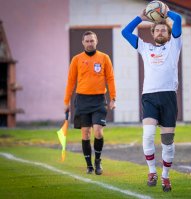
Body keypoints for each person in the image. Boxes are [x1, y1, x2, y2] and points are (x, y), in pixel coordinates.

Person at [122, 7, 182, 192]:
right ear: (153, 33)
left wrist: (165, 12)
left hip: (168, 96)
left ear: (169, 33)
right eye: (157, 30)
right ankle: (151, 172)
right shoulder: (144, 47)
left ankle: (165, 176)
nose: (160, 32)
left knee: (167, 140)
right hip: (149, 96)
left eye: (164, 29)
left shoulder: (175, 44)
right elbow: (125, 32)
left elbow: (178, 18)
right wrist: (140, 17)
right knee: (147, 135)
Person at [64, 31, 116, 175]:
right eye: (87, 41)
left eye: (91, 40)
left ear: (96, 41)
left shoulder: (104, 58)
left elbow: (110, 78)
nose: (89, 43)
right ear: (83, 42)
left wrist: (113, 98)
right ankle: (89, 166)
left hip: (99, 100)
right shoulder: (76, 59)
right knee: (85, 133)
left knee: (98, 131)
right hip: (82, 100)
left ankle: (98, 161)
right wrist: (66, 101)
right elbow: (71, 81)